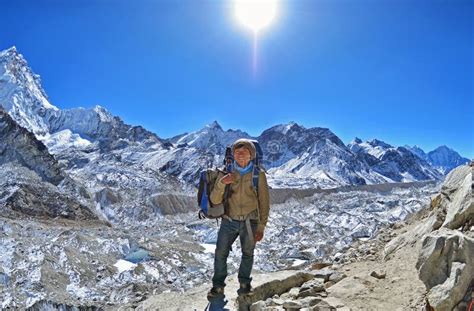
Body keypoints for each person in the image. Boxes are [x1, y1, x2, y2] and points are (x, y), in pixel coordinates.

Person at [207, 138, 270, 300]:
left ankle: (244, 284)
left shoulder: (258, 175)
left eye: (245, 153)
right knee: (220, 253)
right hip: (229, 220)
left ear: (251, 155)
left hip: (251, 222)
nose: (241, 156)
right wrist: (222, 183)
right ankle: (218, 286)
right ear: (233, 155)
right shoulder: (226, 173)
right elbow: (214, 200)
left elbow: (264, 202)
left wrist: (261, 227)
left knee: (247, 253)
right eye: (237, 153)